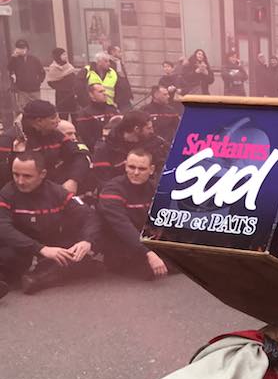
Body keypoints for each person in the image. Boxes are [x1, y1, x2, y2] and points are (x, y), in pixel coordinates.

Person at [0, 149, 100, 296]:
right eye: (16, 174)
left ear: (42, 175)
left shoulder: (58, 192)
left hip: (50, 245)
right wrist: (41, 249)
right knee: (8, 256)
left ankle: (38, 278)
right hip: (20, 247)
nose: (20, 181)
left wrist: (87, 241)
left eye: (27, 176)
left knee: (77, 254)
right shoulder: (6, 194)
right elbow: (3, 227)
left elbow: (90, 215)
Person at [96, 148, 169, 279]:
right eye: (131, 167)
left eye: (142, 169)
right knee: (149, 271)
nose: (135, 173)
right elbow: (122, 226)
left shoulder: (155, 188)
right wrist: (149, 253)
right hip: (120, 244)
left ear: (151, 170)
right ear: (125, 166)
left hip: (146, 240)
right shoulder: (112, 190)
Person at [3, 100, 89, 193]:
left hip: (53, 189)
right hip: (21, 194)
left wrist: (73, 180)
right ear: (39, 121)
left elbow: (79, 155)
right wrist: (17, 155)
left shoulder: (56, 135)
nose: (58, 120)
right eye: (53, 118)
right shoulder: (8, 140)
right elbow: (5, 176)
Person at [92, 110, 168, 183]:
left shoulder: (156, 143)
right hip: (116, 192)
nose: (152, 131)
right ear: (136, 129)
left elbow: (164, 169)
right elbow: (103, 179)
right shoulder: (105, 148)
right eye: (148, 128)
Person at [73, 83, 120, 152]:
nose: (104, 93)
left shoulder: (113, 110)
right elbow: (86, 137)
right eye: (100, 92)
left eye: (104, 91)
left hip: (115, 148)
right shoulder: (85, 114)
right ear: (91, 95)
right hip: (97, 150)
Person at [7, 39, 46, 114]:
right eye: (19, 48)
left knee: (37, 108)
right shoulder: (15, 59)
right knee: (23, 109)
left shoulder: (34, 59)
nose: (22, 50)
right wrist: (13, 57)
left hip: (35, 89)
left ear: (27, 49)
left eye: (23, 48)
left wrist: (38, 81)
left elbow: (42, 72)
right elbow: (9, 68)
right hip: (22, 90)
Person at [45, 48, 79, 119]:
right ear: (58, 56)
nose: (66, 56)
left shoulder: (69, 66)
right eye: (63, 55)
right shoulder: (53, 68)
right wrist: (63, 88)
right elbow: (51, 82)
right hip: (62, 97)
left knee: (76, 117)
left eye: (66, 54)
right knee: (63, 117)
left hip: (72, 96)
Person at [107, 45, 133, 110]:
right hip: (117, 97)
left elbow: (124, 78)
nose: (121, 53)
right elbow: (118, 78)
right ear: (113, 52)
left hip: (125, 96)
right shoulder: (109, 64)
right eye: (119, 51)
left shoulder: (119, 62)